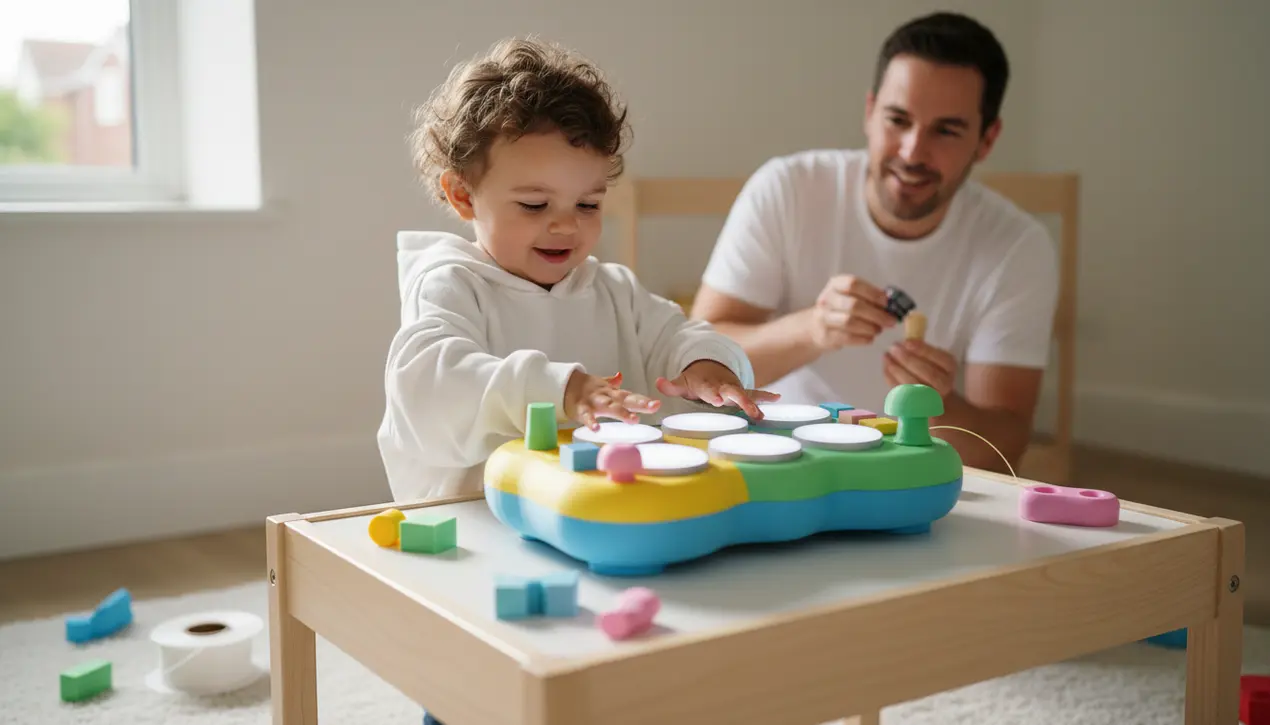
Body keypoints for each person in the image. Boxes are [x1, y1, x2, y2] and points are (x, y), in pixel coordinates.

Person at [377, 36, 776, 515]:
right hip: (478, 519)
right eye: (534, 204)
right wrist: (560, 390)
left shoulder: (613, 289)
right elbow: (431, 386)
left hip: (596, 511)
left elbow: (676, 336)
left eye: (587, 204)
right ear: (463, 196)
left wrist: (706, 365)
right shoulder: (452, 284)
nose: (566, 225)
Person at [690, 11, 1059, 474]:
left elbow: (1003, 450)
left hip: (914, 477)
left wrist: (939, 403)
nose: (912, 152)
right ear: (869, 112)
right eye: (897, 119)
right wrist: (812, 329)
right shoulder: (788, 189)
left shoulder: (1018, 247)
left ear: (987, 140)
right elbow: (699, 363)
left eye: (946, 130)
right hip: (780, 461)